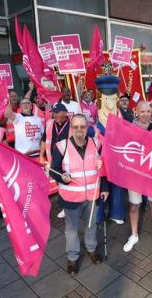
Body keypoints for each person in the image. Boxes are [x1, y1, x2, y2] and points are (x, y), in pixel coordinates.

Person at [51, 114, 108, 275]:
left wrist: (105, 187)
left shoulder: (97, 143)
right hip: (71, 198)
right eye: (75, 127)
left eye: (82, 126)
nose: (79, 130)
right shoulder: (61, 146)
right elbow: (53, 170)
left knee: (91, 225)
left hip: (93, 195)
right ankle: (72, 257)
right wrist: (61, 175)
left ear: (87, 127)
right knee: (72, 229)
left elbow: (104, 168)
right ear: (71, 128)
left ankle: (91, 249)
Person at [122, 101, 152, 253]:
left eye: (148, 111)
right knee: (134, 205)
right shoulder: (129, 129)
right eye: (143, 112)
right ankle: (134, 235)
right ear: (136, 112)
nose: (146, 114)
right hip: (135, 174)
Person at [95, 75, 127, 225]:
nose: (110, 102)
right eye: (106, 98)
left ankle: (116, 212)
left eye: (113, 98)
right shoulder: (96, 124)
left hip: (118, 158)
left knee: (118, 186)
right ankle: (100, 214)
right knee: (102, 186)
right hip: (102, 159)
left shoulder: (122, 118)